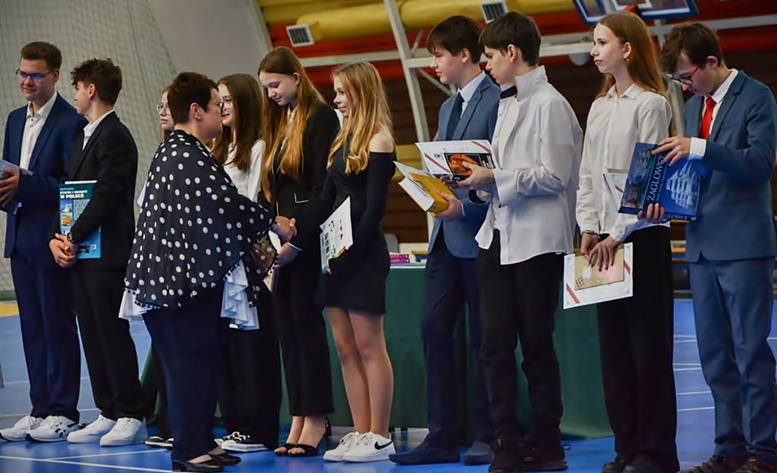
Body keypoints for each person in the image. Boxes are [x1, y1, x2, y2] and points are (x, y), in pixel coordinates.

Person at [119, 71, 294, 472]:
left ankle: (199, 440)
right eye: (216, 105)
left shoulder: (182, 153)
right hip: (178, 286)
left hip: (180, 282)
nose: (221, 111)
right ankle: (188, 449)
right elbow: (224, 204)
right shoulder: (184, 155)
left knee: (200, 360)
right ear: (197, 111)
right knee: (188, 363)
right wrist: (274, 222)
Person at [644, 22, 777, 473]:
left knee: (750, 351)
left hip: (743, 246)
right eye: (678, 80)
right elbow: (695, 174)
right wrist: (662, 199)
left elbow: (760, 164)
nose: (684, 86)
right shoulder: (694, 105)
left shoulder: (756, 96)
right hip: (700, 246)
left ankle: (764, 451)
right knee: (715, 356)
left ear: (712, 62)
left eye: (686, 76)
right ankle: (729, 448)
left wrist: (699, 147)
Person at [459, 12, 582, 473]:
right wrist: (476, 184)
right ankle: (504, 442)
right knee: (493, 346)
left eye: (490, 56)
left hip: (536, 242)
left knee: (535, 346)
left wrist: (495, 177)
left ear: (512, 52)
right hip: (497, 235)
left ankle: (547, 443)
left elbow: (556, 176)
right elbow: (502, 171)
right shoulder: (507, 103)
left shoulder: (551, 104)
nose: (487, 65)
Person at [389, 15, 498, 467]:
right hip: (444, 239)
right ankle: (441, 435)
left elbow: (497, 173)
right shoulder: (449, 107)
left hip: (478, 234)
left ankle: (487, 433)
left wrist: (465, 208)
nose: (433, 63)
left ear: (464, 55)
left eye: (438, 55)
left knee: (483, 339)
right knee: (434, 329)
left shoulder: (497, 101)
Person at [276, 61, 396, 462]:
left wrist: (350, 255)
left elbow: (373, 210)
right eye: (337, 91)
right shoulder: (341, 140)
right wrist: (294, 235)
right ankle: (359, 431)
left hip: (361, 256)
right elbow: (325, 201)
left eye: (343, 92)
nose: (337, 99)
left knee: (368, 345)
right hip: (334, 254)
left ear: (362, 92)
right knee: (345, 347)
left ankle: (379, 434)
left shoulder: (379, 140)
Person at [576, 12, 678, 473]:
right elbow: (587, 173)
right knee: (614, 351)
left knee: (647, 350)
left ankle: (655, 453)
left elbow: (646, 176)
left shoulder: (651, 104)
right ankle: (627, 447)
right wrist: (588, 227)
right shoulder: (599, 106)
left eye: (601, 43)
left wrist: (616, 233)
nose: (594, 51)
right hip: (603, 242)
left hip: (641, 238)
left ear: (627, 48)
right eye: (594, 42)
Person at [48, 58, 148, 447]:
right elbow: (69, 194)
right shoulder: (82, 137)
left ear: (91, 90)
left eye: (77, 88)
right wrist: (59, 237)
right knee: (91, 332)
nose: (74, 95)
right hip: (82, 254)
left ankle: (131, 411)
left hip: (108, 254)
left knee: (111, 331)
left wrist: (73, 235)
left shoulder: (116, 136)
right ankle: (108, 408)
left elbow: (106, 194)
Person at [0, 42, 85, 443]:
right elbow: (9, 176)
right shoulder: (15, 119)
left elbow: (73, 185)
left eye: (35, 74)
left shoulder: (71, 122)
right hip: (19, 239)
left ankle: (64, 411)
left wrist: (26, 185)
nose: (27, 81)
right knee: (32, 328)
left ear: (54, 76)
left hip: (51, 239)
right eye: (22, 73)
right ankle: (39, 409)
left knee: (57, 325)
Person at [257, 46, 340, 457]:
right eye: (266, 88)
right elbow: (272, 188)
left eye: (275, 84)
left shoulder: (321, 116)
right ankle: (299, 414)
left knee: (306, 329)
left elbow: (323, 187)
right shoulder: (279, 121)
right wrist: (270, 232)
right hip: (281, 237)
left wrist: (299, 236)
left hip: (306, 236)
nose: (271, 93)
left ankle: (317, 416)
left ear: (295, 77)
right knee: (287, 330)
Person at [212, 73, 282, 453]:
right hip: (221, 259)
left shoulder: (257, 148)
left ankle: (259, 427)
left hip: (250, 260)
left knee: (253, 344)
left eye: (228, 100)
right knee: (228, 343)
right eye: (218, 101)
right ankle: (236, 422)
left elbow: (255, 201)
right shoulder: (219, 148)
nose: (222, 107)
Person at [144, 87, 175, 450]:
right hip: (160, 268)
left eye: (169, 106)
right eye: (161, 105)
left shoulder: (192, 156)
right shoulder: (162, 154)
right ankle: (168, 424)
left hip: (186, 272)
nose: (163, 112)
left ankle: (184, 429)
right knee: (167, 349)